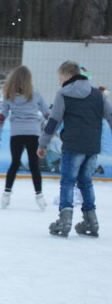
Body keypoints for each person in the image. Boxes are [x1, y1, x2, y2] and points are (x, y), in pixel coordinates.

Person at [39, 61, 112, 237]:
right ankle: (91, 220)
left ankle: (64, 220)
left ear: (69, 76)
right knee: (86, 182)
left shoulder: (64, 94)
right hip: (92, 146)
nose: (59, 82)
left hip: (73, 146)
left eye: (60, 78)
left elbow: (53, 122)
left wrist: (43, 144)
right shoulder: (98, 95)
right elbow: (111, 116)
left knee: (68, 181)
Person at [0, 65, 49, 210]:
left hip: (16, 134)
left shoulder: (9, 96)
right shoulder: (36, 94)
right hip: (33, 134)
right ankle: (40, 196)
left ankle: (6, 195)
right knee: (34, 165)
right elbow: (47, 113)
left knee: (15, 163)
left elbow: (1, 117)